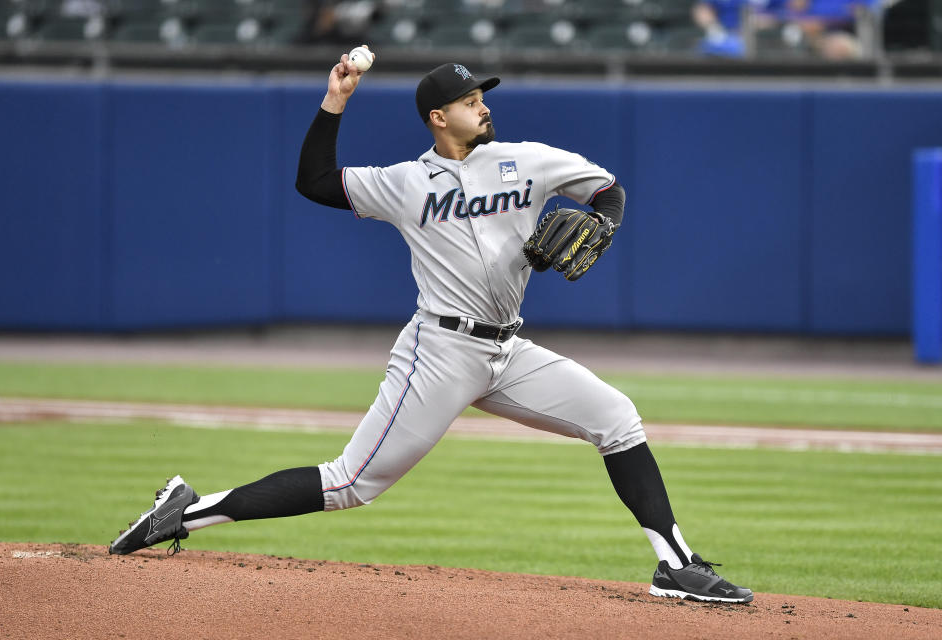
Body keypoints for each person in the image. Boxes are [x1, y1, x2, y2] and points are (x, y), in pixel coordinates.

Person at [108, 51, 754, 605]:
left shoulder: (527, 160)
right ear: (439, 117)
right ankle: (187, 511)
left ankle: (676, 565)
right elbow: (313, 182)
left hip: (508, 348)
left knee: (616, 417)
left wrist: (605, 224)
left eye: (482, 97)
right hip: (439, 351)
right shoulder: (405, 183)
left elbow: (606, 188)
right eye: (470, 101)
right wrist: (335, 101)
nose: (483, 107)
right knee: (351, 484)